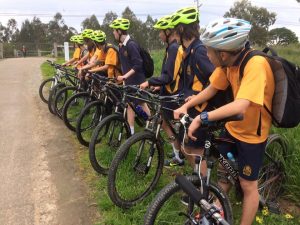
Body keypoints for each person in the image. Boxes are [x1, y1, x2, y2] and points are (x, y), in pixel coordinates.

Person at [175, 18, 274, 225]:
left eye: (209, 51)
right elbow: (211, 89)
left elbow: (240, 105)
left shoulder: (255, 64)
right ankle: (218, 211)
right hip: (232, 127)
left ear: (222, 53)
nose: (207, 55)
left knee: (248, 186)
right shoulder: (228, 63)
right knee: (224, 175)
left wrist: (202, 118)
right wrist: (186, 106)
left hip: (251, 135)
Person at [170, 6, 215, 169]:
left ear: (182, 29)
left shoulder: (199, 51)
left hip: (201, 107)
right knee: (186, 146)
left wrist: (198, 95)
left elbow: (215, 80)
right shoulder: (189, 51)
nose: (175, 35)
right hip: (191, 104)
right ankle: (197, 179)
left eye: (176, 31)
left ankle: (201, 189)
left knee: (196, 149)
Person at [140, 15, 184, 167]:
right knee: (166, 123)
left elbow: (170, 76)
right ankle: (177, 151)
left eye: (160, 31)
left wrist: (150, 81)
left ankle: (178, 156)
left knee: (168, 123)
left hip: (174, 94)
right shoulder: (170, 47)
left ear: (168, 31)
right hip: (169, 90)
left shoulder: (174, 48)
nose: (159, 35)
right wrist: (160, 86)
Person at [110, 18, 150, 135]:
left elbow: (138, 64)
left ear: (119, 31)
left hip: (137, 80)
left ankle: (153, 124)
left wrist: (124, 77)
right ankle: (131, 132)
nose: (113, 33)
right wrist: (124, 79)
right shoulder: (122, 46)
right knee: (129, 106)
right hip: (128, 81)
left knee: (141, 103)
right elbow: (125, 64)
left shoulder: (131, 45)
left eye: (114, 31)